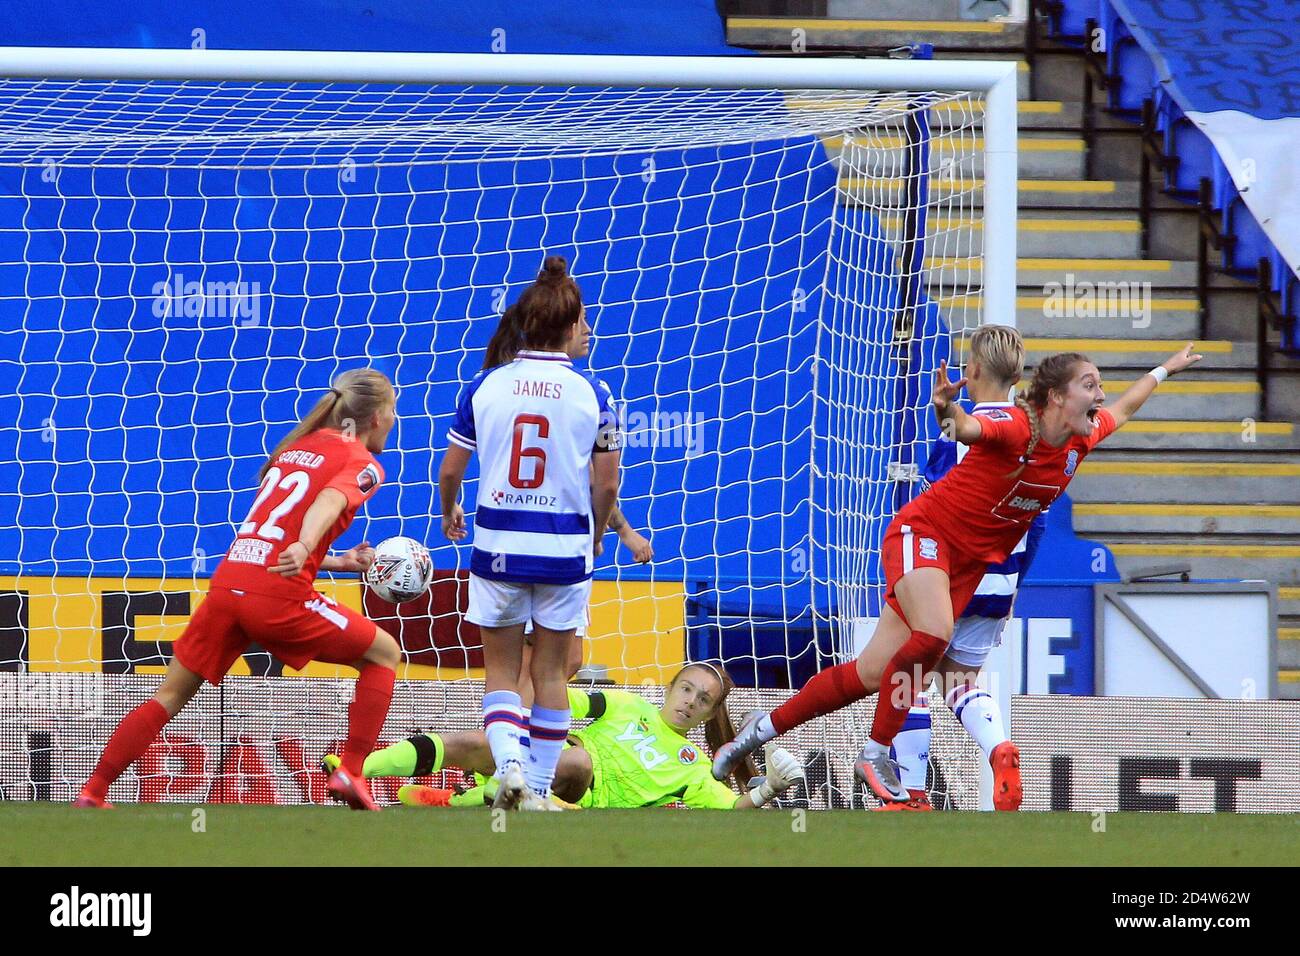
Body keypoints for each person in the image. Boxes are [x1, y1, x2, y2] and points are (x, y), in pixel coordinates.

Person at [714, 337, 1203, 804]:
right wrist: (946, 408)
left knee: (869, 674)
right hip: (924, 535)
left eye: (1099, 385)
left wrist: (1164, 370)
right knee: (934, 636)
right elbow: (970, 429)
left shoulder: (1080, 441)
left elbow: (1125, 409)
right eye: (1090, 384)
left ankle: (757, 731)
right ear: (1056, 397)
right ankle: (876, 752)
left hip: (967, 565)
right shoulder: (1015, 427)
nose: (1101, 395)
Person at [74, 369, 403, 811]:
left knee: (169, 694)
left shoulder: (295, 450)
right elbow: (328, 503)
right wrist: (307, 544)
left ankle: (93, 791)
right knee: (384, 653)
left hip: (231, 585)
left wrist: (337, 561)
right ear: (378, 416)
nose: (395, 419)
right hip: (277, 595)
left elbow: (270, 536)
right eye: (395, 410)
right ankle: (351, 769)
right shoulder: (362, 462)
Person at [438, 255, 622, 810]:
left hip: (498, 547)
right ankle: (538, 790)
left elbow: (450, 469)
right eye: (584, 321)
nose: (588, 331)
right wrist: (594, 537)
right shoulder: (595, 394)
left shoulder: (486, 386)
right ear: (567, 328)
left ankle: (510, 767)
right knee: (549, 673)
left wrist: (449, 509)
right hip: (564, 550)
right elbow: (607, 486)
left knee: (499, 670)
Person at [882, 326, 1044, 812]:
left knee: (907, 677)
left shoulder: (963, 432)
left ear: (972, 371)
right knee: (960, 683)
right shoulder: (1038, 437)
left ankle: (910, 795)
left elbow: (938, 505)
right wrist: (1015, 581)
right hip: (1002, 577)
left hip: (948, 574)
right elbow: (1037, 524)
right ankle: (998, 748)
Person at [340, 662, 805, 810]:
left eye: (702, 700)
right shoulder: (627, 703)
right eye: (686, 688)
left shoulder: (695, 767)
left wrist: (768, 788)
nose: (689, 701)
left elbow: (731, 808)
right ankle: (355, 770)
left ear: (709, 714)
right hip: (553, 760)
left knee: (575, 765)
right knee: (474, 743)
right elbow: (560, 702)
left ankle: (473, 797)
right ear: (670, 687)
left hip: (579, 799)